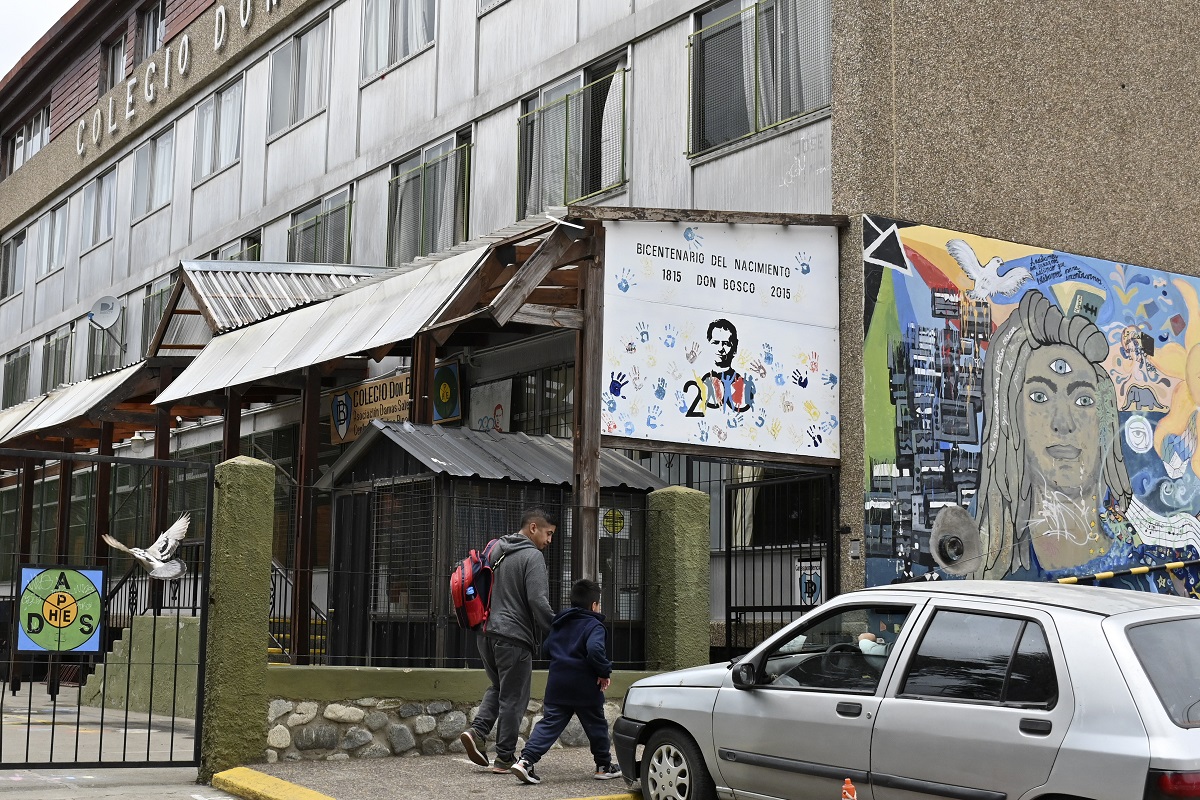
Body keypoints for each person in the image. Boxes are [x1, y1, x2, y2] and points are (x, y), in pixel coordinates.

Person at [931, 289, 1131, 578]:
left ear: (1105, 421)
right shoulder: (994, 576)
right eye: (1040, 396)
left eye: (1083, 400)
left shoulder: (1146, 559)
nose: (1064, 422)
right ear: (1012, 417)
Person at [460, 509, 557, 774]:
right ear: (534, 527)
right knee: (514, 697)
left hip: (485, 632)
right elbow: (538, 600)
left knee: (499, 687)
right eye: (549, 534)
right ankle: (504, 758)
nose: (550, 541)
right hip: (514, 637)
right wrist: (556, 629)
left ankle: (478, 731)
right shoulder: (532, 556)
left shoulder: (495, 548)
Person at [510, 579, 621, 785]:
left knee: (549, 724)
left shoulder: (560, 623)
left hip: (558, 684)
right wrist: (604, 671)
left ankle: (525, 761)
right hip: (585, 686)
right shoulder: (594, 625)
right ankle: (603, 766)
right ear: (594, 605)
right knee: (596, 725)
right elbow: (595, 650)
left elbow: (547, 648)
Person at [701, 318, 754, 413]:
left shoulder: (741, 384)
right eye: (715, 343)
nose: (720, 348)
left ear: (735, 348)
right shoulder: (704, 381)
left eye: (726, 344)